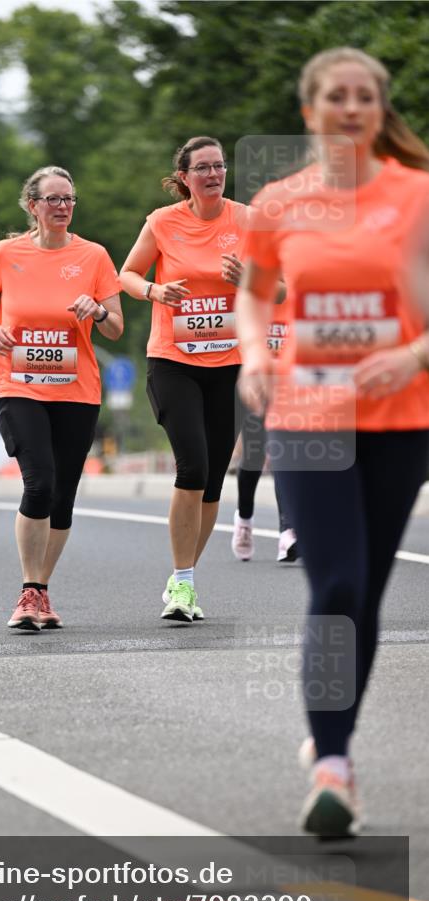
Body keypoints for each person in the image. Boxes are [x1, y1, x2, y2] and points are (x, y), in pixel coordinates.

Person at [236, 47, 429, 836]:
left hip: (399, 416)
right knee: (337, 586)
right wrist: (254, 356)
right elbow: (253, 295)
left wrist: (411, 356)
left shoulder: (416, 196)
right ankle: (334, 771)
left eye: (363, 97)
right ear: (309, 111)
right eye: (335, 96)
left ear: (378, 112)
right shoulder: (278, 204)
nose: (350, 108)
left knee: (367, 591)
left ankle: (330, 733)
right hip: (307, 414)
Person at [120, 136, 284, 622]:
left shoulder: (247, 220)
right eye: (204, 168)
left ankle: (184, 577)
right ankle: (183, 581)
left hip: (230, 365)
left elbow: (281, 289)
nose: (214, 175)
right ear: (185, 177)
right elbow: (126, 275)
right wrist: (154, 291)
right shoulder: (162, 222)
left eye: (220, 166)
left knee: (212, 478)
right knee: (191, 466)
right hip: (174, 361)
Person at [0, 165, 123, 630]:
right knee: (39, 482)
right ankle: (29, 589)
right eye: (53, 199)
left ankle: (41, 591)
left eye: (69, 199)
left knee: (62, 496)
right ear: (33, 205)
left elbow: (116, 328)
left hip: (76, 390)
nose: (63, 206)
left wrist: (98, 311)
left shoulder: (94, 256)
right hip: (17, 384)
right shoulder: (6, 253)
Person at [232, 300, 299, 563]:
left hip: (290, 382)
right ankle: (244, 519)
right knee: (254, 456)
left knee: (283, 450)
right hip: (256, 379)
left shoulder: (300, 288)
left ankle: (288, 531)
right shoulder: (253, 293)